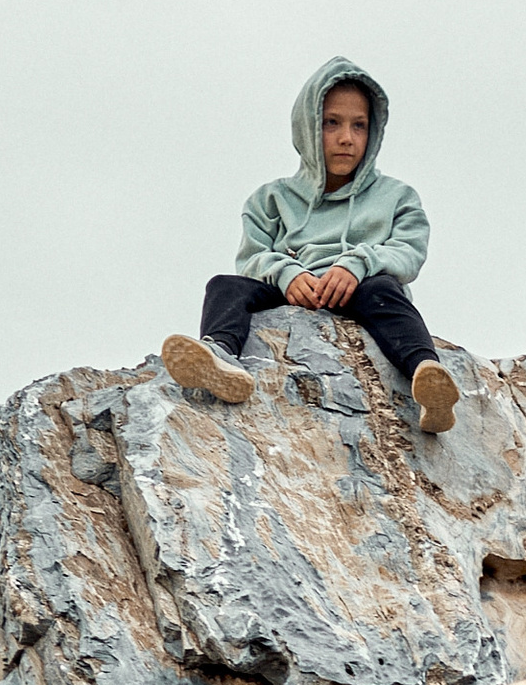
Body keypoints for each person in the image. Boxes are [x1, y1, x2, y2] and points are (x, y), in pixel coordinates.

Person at [163, 54, 461, 432]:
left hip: (361, 290)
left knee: (385, 290)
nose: (346, 138)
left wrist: (357, 264)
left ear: (374, 133)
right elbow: (253, 256)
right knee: (225, 286)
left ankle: (428, 377)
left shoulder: (397, 197)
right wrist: (287, 274)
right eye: (330, 123)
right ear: (307, 127)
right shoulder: (270, 199)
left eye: (359, 126)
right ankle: (220, 358)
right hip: (294, 291)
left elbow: (409, 251)